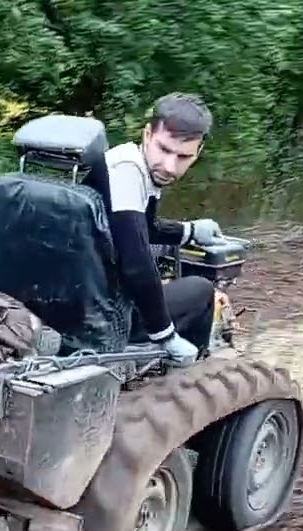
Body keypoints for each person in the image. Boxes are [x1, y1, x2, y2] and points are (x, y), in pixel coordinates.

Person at [83, 92, 227, 366]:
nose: (170, 167)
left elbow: (142, 228)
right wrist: (165, 334)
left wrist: (189, 231)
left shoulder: (130, 162)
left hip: (85, 298)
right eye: (164, 149)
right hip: (103, 317)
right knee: (201, 290)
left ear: (199, 152)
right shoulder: (128, 170)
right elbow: (137, 264)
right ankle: (188, 376)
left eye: (183, 156)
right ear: (147, 135)